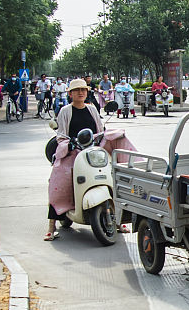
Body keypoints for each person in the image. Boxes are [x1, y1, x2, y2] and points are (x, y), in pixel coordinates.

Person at [45, 78, 134, 240]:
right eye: (77, 90)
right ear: (70, 93)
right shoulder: (65, 111)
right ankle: (52, 226)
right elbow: (61, 135)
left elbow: (100, 130)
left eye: (83, 90)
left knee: (112, 174)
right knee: (59, 178)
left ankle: (119, 220)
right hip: (73, 151)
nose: (81, 93)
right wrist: (70, 144)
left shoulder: (92, 108)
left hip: (93, 150)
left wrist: (107, 136)